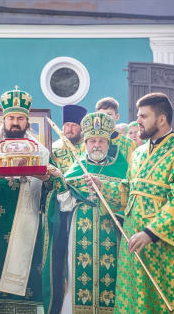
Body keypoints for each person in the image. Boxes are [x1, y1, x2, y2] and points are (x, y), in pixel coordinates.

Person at [0, 86, 63, 314]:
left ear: (27, 122)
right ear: (4, 120)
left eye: (20, 118)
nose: (15, 123)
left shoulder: (42, 152)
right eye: (11, 118)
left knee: (29, 285)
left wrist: (46, 178)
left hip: (30, 230)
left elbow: (58, 187)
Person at [106, 92, 174, 312]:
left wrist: (150, 233)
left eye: (144, 116)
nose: (138, 121)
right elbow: (129, 190)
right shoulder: (140, 153)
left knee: (169, 302)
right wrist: (100, 185)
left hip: (167, 250)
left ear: (161, 119)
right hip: (137, 245)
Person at [53, 112, 128, 313]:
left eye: (102, 141)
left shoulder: (122, 168)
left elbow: (129, 202)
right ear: (85, 143)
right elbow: (65, 205)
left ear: (108, 143)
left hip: (113, 233)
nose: (97, 145)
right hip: (79, 233)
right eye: (92, 140)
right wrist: (60, 185)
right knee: (77, 277)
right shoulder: (76, 169)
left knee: (112, 278)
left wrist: (105, 190)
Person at [95, 97, 136, 163]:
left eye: (109, 114)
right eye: (101, 115)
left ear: (117, 117)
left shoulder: (128, 144)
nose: (105, 118)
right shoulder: (89, 143)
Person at [52, 104, 87, 173]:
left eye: (74, 125)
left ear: (81, 128)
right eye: (67, 125)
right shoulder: (54, 148)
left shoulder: (87, 146)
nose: (70, 129)